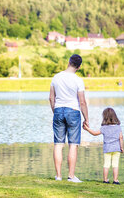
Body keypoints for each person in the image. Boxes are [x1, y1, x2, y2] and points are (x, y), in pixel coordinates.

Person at [49, 54, 89, 183]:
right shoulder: (78, 80)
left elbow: (51, 98)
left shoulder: (56, 77)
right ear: (79, 66)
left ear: (69, 62)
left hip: (58, 110)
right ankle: (71, 176)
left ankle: (58, 176)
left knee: (58, 144)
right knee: (73, 144)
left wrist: (55, 112)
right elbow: (82, 102)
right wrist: (86, 119)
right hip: (73, 111)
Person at [83, 107, 124, 184]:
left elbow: (95, 133)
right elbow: (121, 137)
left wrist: (87, 129)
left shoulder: (104, 128)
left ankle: (105, 180)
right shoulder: (118, 127)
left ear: (104, 117)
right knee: (115, 164)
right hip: (116, 148)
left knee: (106, 164)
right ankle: (115, 180)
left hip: (107, 149)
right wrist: (121, 147)